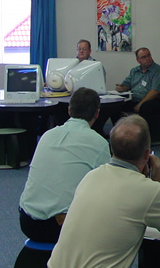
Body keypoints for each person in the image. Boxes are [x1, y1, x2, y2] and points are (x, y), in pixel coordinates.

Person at [42, 114, 160, 268]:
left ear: (112, 148)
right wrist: (156, 181)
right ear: (147, 155)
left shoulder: (91, 176)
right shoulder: (148, 189)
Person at [19, 87, 111, 243]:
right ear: (97, 113)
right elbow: (107, 189)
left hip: (27, 221)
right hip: (62, 227)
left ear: (69, 110)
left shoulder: (47, 135)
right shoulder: (99, 143)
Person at [113, 47, 160, 144]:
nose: (147, 58)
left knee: (146, 107)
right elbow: (127, 85)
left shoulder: (158, 70)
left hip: (156, 101)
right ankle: (123, 135)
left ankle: (144, 138)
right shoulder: (134, 71)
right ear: (138, 60)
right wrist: (121, 88)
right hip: (136, 100)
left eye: (148, 55)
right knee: (117, 108)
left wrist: (140, 104)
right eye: (143, 57)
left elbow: (155, 91)